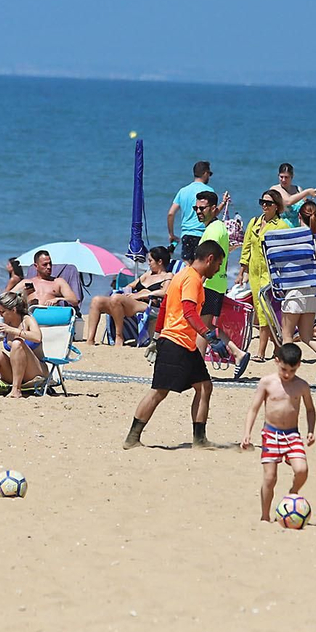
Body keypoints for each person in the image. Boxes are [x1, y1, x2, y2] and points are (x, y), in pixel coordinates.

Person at [124, 239, 224, 449]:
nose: (218, 269)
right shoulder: (192, 279)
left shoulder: (181, 275)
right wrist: (210, 336)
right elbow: (188, 312)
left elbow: (164, 308)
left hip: (184, 344)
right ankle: (132, 439)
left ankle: (200, 439)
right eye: (218, 264)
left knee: (204, 387)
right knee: (159, 391)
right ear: (210, 259)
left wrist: (155, 336)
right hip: (175, 342)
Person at [240, 342, 316, 522]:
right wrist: (247, 432)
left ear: (299, 365)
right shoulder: (267, 382)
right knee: (270, 477)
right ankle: (265, 517)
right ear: (276, 361)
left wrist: (311, 430)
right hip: (271, 434)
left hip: (292, 434)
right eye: (284, 369)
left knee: (302, 470)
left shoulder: (302, 386)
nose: (288, 374)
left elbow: (310, 409)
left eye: (292, 370)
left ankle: (293, 493)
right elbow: (254, 408)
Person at [280, 199, 316, 380]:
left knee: (287, 336)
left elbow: (283, 263)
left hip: (296, 290)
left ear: (299, 215)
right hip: (313, 292)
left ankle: (286, 374)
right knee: (307, 336)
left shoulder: (295, 237)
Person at [194, 190, 250, 377]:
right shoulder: (219, 228)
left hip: (209, 283)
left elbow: (207, 261)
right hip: (217, 283)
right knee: (208, 326)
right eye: (196, 208)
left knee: (202, 327)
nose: (198, 211)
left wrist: (197, 284)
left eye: (202, 208)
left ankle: (198, 369)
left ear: (212, 208)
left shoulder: (213, 231)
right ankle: (238, 353)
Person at [87, 245, 172, 345]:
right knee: (97, 300)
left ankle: (119, 336)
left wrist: (142, 295)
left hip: (150, 306)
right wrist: (129, 292)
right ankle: (90, 339)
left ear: (160, 262)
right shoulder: (148, 274)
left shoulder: (168, 275)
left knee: (116, 298)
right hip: (133, 303)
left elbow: (165, 292)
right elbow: (130, 286)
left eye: (150, 260)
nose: (148, 263)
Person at [237, 188, 285, 361]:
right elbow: (247, 247)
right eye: (262, 202)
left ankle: (261, 352)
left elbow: (285, 251)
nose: (264, 206)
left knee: (265, 310)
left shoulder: (282, 226)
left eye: (268, 203)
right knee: (260, 310)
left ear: (277, 206)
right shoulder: (254, 222)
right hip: (255, 272)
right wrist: (243, 270)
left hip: (270, 273)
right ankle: (278, 347)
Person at [0, 291, 46, 398]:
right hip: (15, 372)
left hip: (36, 372)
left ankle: (16, 390)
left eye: (2, 312)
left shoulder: (27, 320)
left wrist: (13, 331)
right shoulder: (5, 324)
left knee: (17, 343)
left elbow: (37, 337)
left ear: (13, 310)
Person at [166, 160, 216, 265]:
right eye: (209, 174)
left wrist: (171, 234)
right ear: (205, 173)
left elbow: (171, 213)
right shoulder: (209, 191)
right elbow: (213, 214)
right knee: (202, 268)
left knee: (188, 269)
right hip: (203, 234)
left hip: (187, 235)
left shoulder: (183, 191)